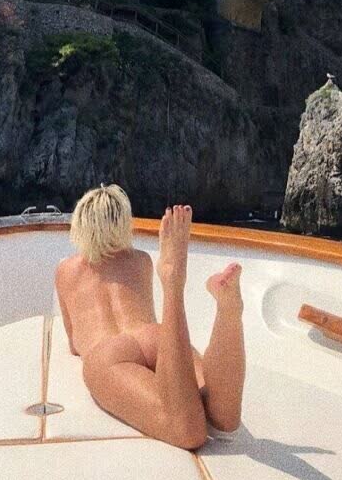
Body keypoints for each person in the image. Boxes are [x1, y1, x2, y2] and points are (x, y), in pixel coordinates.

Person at [55, 184, 245, 450]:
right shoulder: (141, 260)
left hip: (108, 352)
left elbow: (75, 344)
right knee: (224, 418)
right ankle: (227, 312)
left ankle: (173, 284)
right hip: (153, 335)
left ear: (80, 225)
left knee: (187, 431)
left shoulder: (65, 270)